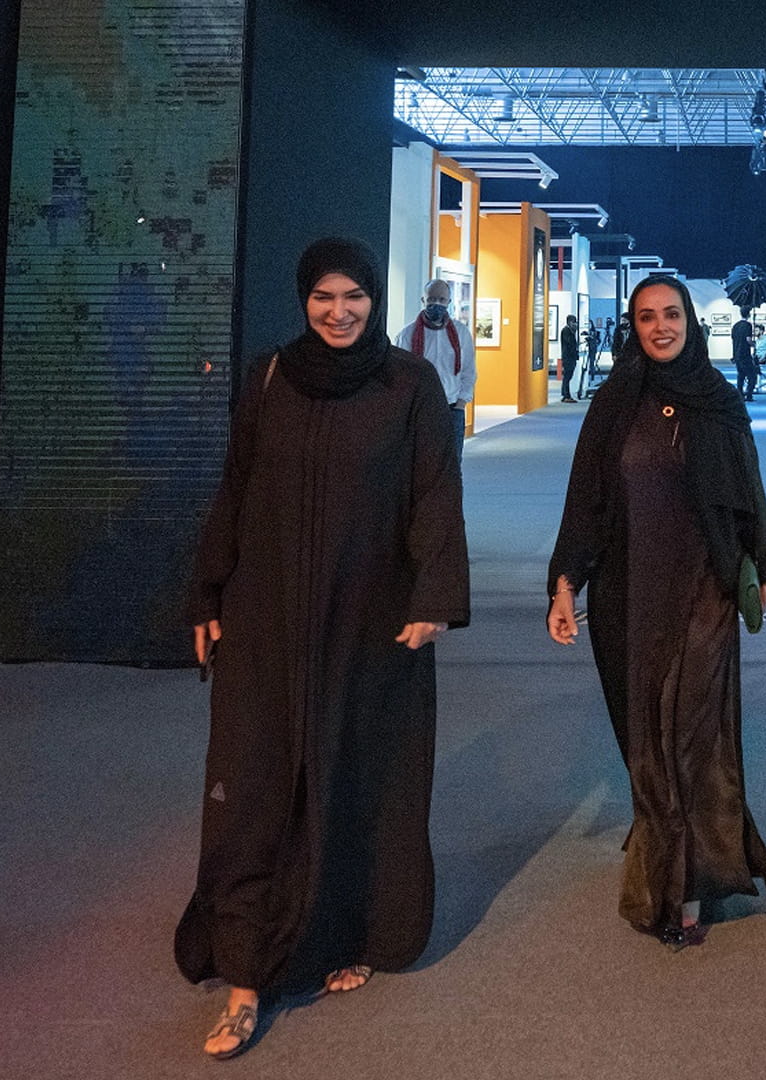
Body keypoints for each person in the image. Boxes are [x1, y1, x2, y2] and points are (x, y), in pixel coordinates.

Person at [180, 238, 470, 1058]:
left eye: (354, 297)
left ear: (375, 301)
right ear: (304, 298)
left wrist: (435, 597)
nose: (339, 312)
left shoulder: (408, 384)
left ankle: (349, 929)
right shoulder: (270, 378)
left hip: (369, 616)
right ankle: (245, 975)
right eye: (323, 297)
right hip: (266, 614)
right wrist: (207, 593)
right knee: (254, 780)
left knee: (356, 774)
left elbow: (434, 491)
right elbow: (236, 487)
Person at [547, 275, 766, 950]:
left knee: (690, 732)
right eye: (646, 316)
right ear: (633, 326)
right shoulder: (614, 403)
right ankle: (663, 840)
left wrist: (763, 560)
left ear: (689, 321)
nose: (660, 327)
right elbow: (585, 499)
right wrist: (565, 582)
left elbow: (749, 487)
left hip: (704, 586)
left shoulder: (718, 399)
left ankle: (683, 881)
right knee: (646, 732)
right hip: (627, 592)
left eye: (671, 314)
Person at [393, 278, 477, 467]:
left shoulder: (461, 333)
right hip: (419, 410)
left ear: (449, 302)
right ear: (423, 300)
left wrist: (461, 403)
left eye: (441, 299)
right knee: (419, 463)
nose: (436, 304)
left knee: (451, 464)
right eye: (431, 299)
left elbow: (468, 371)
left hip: (452, 408)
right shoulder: (407, 335)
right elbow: (400, 374)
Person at [730, 307, 758, 401]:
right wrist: (754, 344)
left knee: (741, 375)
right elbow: (748, 339)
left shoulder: (735, 326)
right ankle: (749, 394)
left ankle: (740, 394)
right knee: (752, 375)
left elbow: (733, 340)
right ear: (749, 314)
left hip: (737, 354)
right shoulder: (748, 325)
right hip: (745, 354)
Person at [560, 314, 581, 402]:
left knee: (568, 376)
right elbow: (570, 343)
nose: (575, 324)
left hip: (571, 357)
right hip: (568, 357)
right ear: (569, 322)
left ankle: (565, 394)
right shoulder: (566, 331)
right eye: (573, 322)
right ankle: (566, 395)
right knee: (567, 376)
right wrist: (574, 332)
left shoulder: (570, 331)